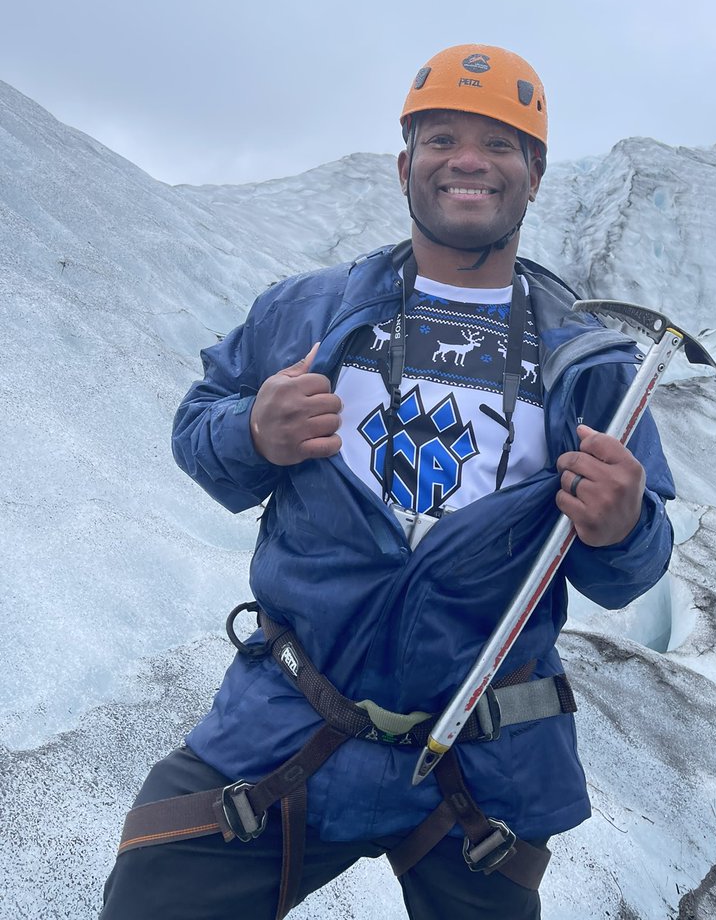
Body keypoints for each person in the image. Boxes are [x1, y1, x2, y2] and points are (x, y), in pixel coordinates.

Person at [100, 44, 675, 920]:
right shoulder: (306, 313)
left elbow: (630, 570)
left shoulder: (591, 364)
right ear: (407, 165)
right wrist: (253, 431)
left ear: (536, 172)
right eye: (442, 138)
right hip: (286, 725)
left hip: (481, 766)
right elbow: (196, 430)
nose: (469, 160)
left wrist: (624, 525)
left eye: (500, 143)